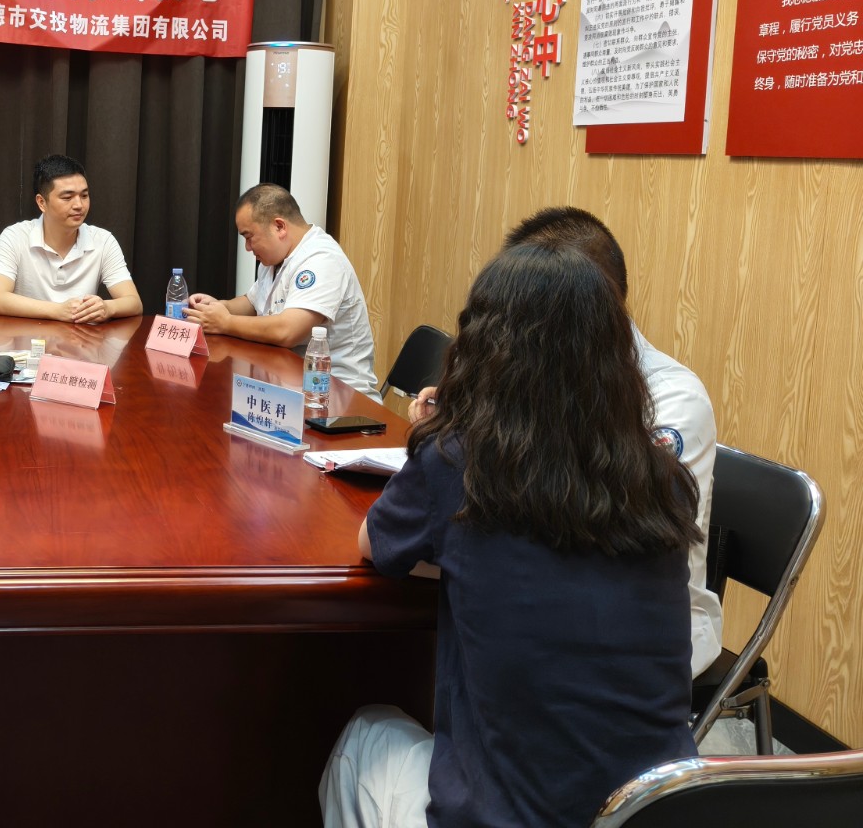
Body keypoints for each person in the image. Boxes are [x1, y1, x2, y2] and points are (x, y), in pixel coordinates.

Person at [320, 241, 700, 828]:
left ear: (482, 347)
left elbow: (374, 544)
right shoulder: (664, 480)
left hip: (508, 818)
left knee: (364, 737)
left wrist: (442, 434)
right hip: (653, 811)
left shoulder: (458, 462)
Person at [406, 206, 722, 678]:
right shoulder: (543, 365)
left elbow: (584, 519)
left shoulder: (672, 398)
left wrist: (460, 443)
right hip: (541, 592)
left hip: (634, 629)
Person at [185, 183, 379, 396]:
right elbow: (253, 303)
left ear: (279, 227)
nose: (248, 247)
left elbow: (288, 331)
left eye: (249, 237)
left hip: (335, 392)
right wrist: (217, 307)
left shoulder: (322, 260)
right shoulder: (275, 259)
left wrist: (225, 322)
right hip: (288, 381)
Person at [0, 153, 142, 323]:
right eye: (67, 197)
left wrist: (107, 308)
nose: (79, 205)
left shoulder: (103, 240)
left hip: (81, 338)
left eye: (84, 196)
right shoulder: (15, 236)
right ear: (42, 202)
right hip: (25, 338)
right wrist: (58, 311)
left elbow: (134, 303)